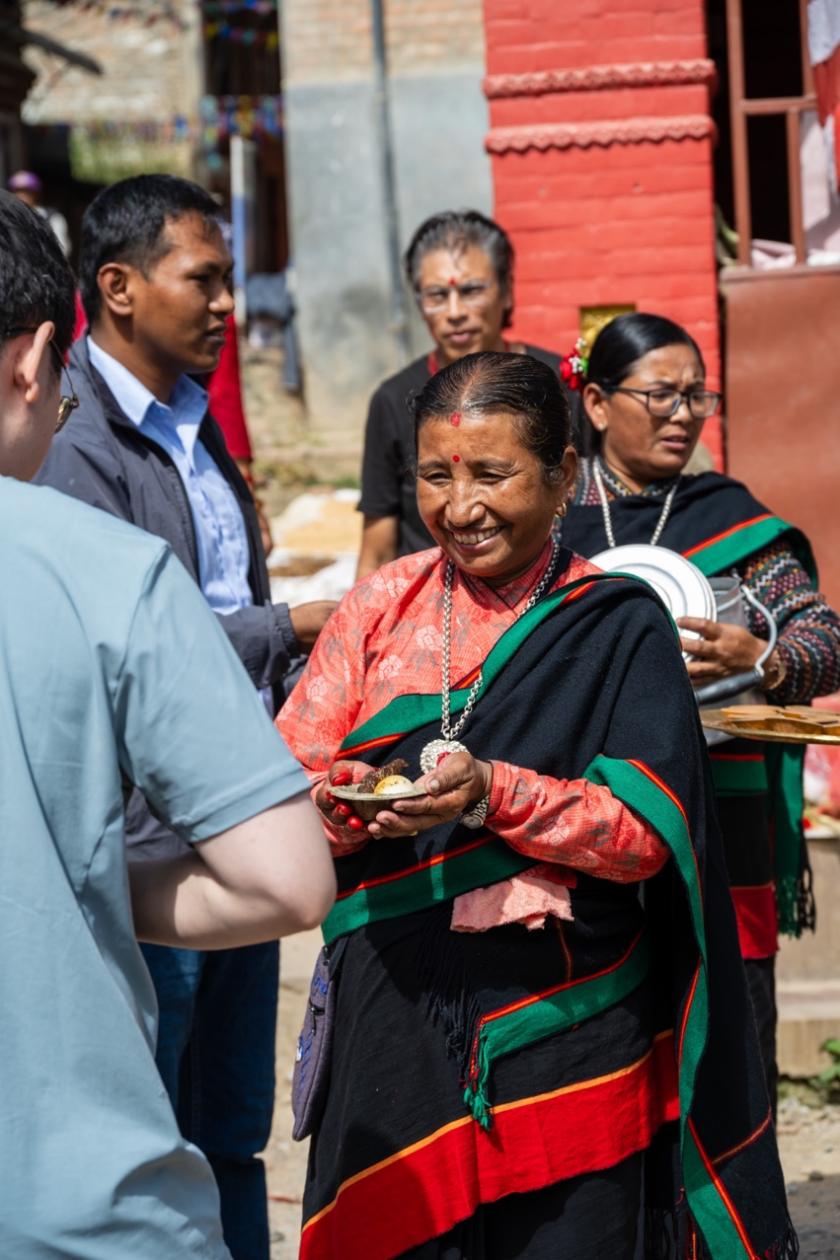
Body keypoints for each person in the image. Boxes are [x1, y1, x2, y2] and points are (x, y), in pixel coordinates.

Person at [279, 350, 794, 1259]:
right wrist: (344, 806)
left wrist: (493, 792)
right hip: (393, 1020)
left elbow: (645, 832)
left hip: (567, 1025)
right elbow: (287, 789)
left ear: (562, 478)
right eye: (436, 476)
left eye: (491, 474)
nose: (460, 507)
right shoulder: (378, 608)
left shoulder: (617, 623)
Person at [0, 190, 335, 1256]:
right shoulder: (79, 495)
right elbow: (288, 882)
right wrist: (294, 626)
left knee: (229, 1129)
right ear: (40, 356)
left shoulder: (194, 427)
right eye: (205, 278)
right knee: (160, 1103)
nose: (228, 304)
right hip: (163, 843)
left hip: (208, 819)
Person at [561, 311, 840, 1109]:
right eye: (661, 395)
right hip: (582, 817)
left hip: (718, 817)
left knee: (728, 1036)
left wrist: (764, 657)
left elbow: (823, 637)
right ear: (598, 402)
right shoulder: (548, 516)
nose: (683, 414)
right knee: (603, 1046)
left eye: (697, 397)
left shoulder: (730, 519)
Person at [356, 209, 571, 578]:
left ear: (507, 291)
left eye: (471, 291)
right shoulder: (393, 400)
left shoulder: (560, 385)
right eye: (437, 295)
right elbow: (377, 549)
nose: (454, 312)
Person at [7, 168, 72, 256]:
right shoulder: (7, 218)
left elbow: (62, 250)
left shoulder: (52, 217)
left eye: (26, 191)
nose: (21, 196)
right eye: (17, 191)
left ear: (36, 193)